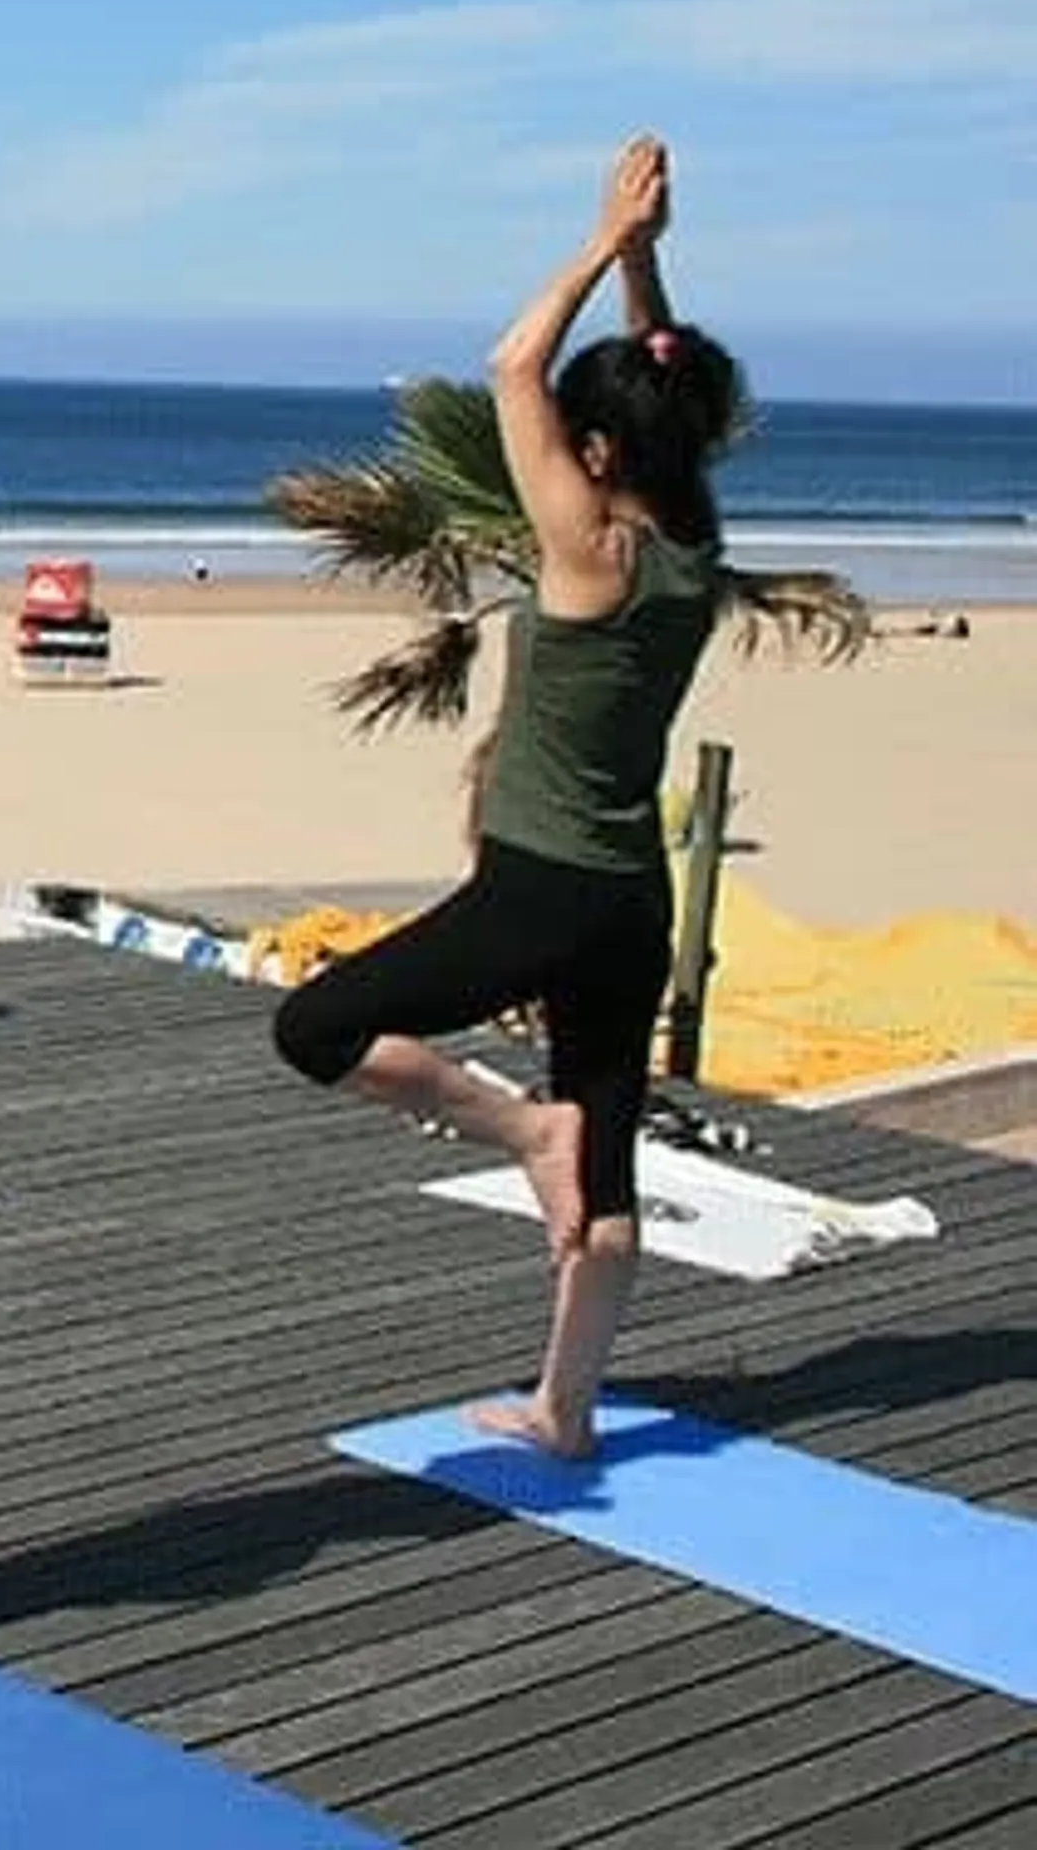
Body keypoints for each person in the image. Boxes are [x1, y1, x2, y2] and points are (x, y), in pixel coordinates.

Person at [272, 135, 732, 1460]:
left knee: (319, 1024)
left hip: (534, 889)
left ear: (595, 451)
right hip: (628, 898)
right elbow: (667, 402)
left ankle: (522, 1127)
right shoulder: (693, 552)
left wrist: (600, 241)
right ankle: (565, 1407)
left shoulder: (587, 551)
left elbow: (512, 364)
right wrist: (647, 270)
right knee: (614, 1167)